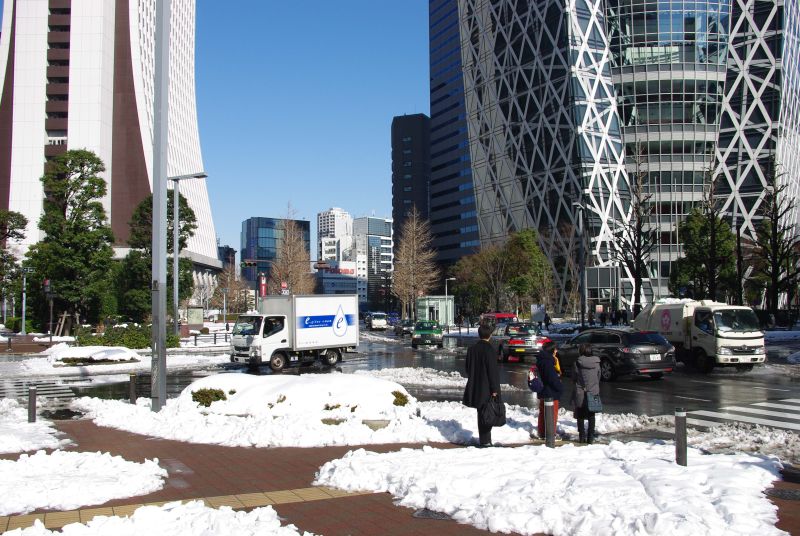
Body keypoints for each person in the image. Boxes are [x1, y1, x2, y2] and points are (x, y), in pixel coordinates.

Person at [463, 323, 501, 447]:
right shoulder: (490, 349)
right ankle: (486, 440)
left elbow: (468, 368)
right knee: (488, 413)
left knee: (481, 412)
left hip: (475, 384)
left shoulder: (472, 349)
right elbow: (492, 371)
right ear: (489, 335)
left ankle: (484, 439)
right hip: (487, 386)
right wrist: (494, 388)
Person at [572, 343, 601, 444]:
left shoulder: (577, 362)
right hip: (593, 391)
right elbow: (598, 376)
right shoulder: (597, 362)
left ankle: (581, 437)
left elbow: (574, 377)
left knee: (580, 414)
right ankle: (590, 438)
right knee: (591, 415)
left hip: (581, 391)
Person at [536, 340, 563, 438]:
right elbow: (552, 379)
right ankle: (550, 435)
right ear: (552, 350)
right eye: (555, 349)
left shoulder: (542, 359)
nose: (556, 351)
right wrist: (560, 388)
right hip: (550, 392)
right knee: (552, 414)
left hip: (543, 391)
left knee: (543, 413)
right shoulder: (548, 362)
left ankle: (542, 432)